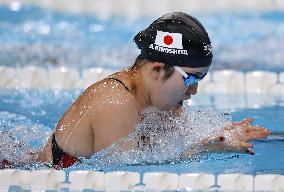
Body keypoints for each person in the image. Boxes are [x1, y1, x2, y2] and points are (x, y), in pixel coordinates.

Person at [1, 12, 270, 169]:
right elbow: (126, 173)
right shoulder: (114, 104)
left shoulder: (155, 101)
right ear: (157, 69)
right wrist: (205, 149)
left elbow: (173, 142)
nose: (195, 90)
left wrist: (220, 136)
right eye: (190, 79)